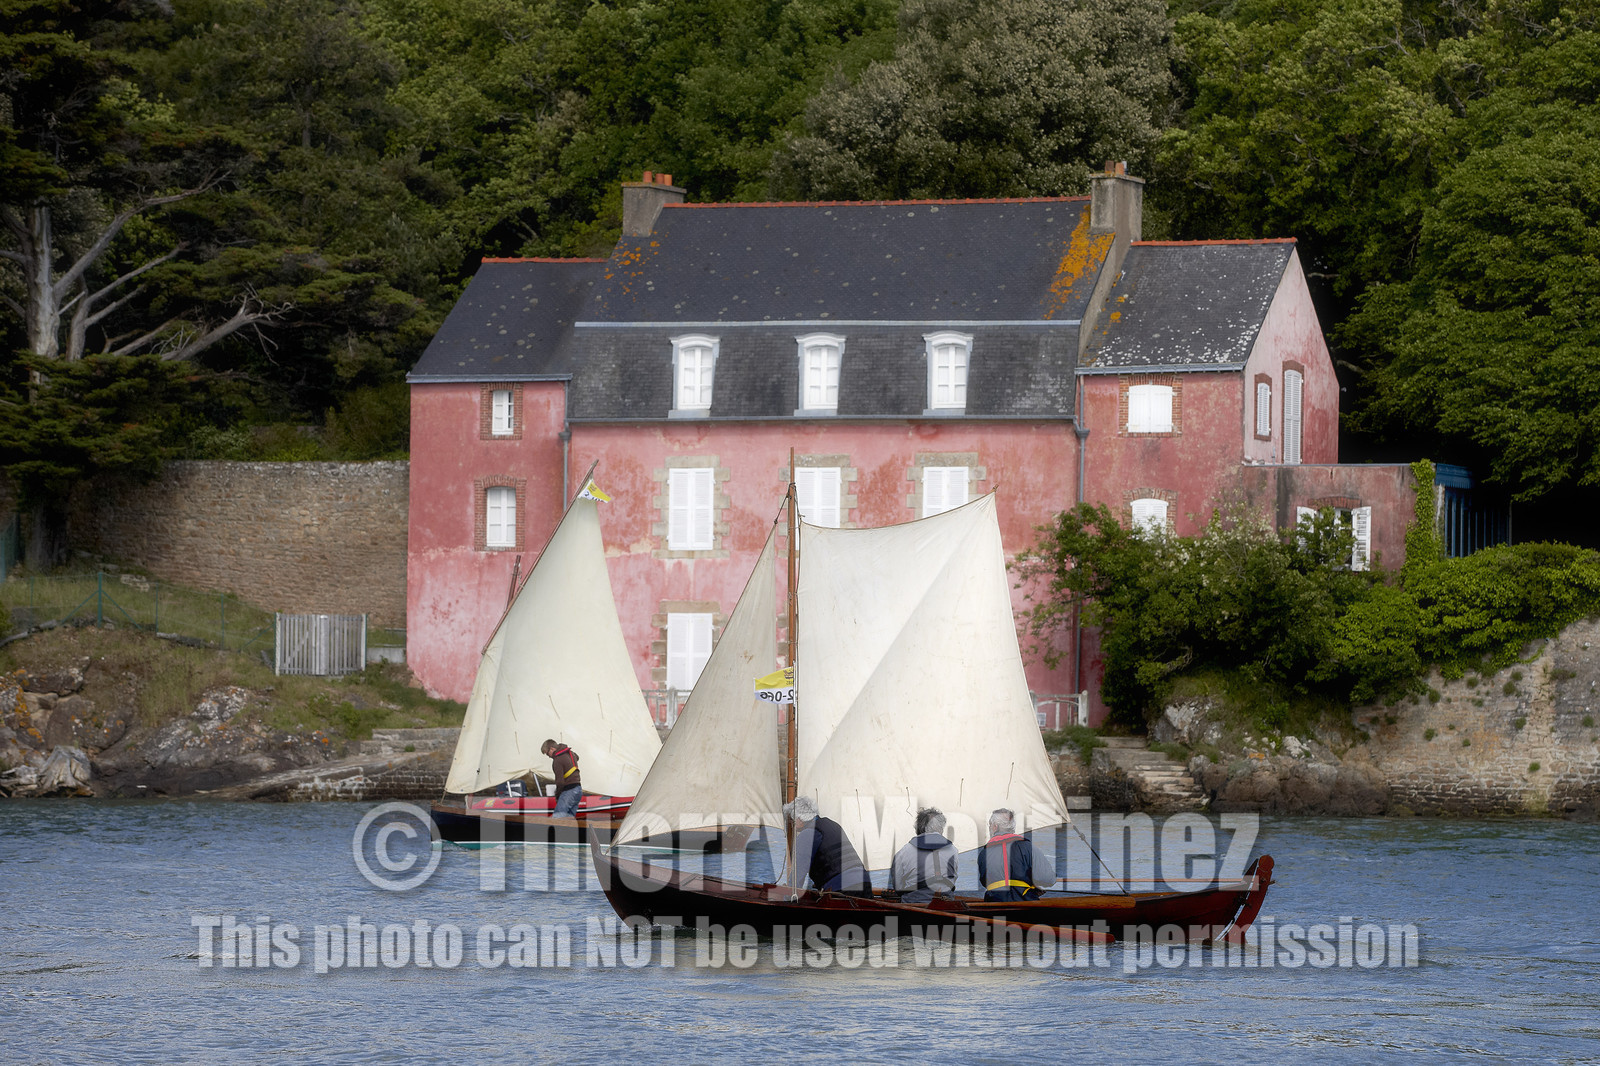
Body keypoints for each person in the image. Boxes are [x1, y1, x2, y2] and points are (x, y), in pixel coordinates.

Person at [784, 795, 871, 895]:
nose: (792, 823)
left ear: (799, 818)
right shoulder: (833, 824)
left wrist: (789, 896)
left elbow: (797, 874)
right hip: (865, 882)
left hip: (841, 889)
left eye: (792, 819)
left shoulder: (807, 834)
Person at [890, 807, 959, 904]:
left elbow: (898, 887)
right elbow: (953, 879)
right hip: (946, 905)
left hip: (914, 906)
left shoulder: (904, 852)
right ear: (941, 828)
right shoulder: (953, 850)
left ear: (919, 828)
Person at [977, 808, 1046, 902]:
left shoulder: (984, 852)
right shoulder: (1028, 847)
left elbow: (984, 881)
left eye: (990, 825)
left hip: (994, 901)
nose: (989, 828)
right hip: (1025, 901)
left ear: (995, 827)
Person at [542, 739, 582, 818]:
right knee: (569, 821)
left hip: (569, 791)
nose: (549, 757)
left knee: (557, 819)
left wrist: (557, 796)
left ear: (552, 749)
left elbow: (560, 782)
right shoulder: (571, 753)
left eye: (547, 754)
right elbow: (577, 757)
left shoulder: (557, 760)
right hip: (578, 790)